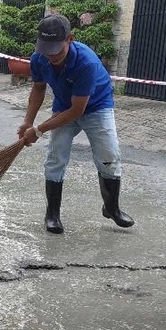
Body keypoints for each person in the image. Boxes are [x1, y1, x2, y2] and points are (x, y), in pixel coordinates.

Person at [18, 14, 134, 234]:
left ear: (70, 39)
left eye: (57, 50)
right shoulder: (39, 58)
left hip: (96, 106)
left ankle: (112, 208)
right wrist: (27, 122)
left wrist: (39, 130)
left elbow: (77, 110)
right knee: (55, 156)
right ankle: (52, 214)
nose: (51, 55)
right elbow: (39, 88)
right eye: (46, 49)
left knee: (109, 156)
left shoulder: (86, 62)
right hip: (63, 106)